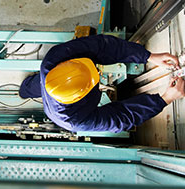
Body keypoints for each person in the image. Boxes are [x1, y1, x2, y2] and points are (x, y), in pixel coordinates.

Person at [19, 34, 185, 133]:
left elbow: (103, 46)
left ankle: (24, 89)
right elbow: (120, 116)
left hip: (46, 80)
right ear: (81, 96)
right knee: (39, 86)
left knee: (34, 85)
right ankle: (26, 90)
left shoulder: (53, 60)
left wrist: (148, 56)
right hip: (56, 107)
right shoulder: (75, 120)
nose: (98, 72)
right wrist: (164, 99)